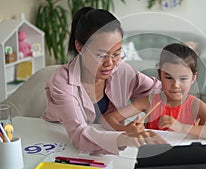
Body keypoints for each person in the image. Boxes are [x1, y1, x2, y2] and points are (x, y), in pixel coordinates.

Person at [42, 7, 166, 155]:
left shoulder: (121, 70)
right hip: (57, 143)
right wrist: (126, 138)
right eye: (101, 55)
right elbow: (79, 134)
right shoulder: (63, 81)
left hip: (109, 149)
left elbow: (159, 90)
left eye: (116, 54)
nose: (110, 63)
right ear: (80, 47)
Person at [101, 43, 206, 140]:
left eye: (183, 79)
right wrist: (126, 129)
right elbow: (107, 119)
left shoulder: (195, 105)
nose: (175, 85)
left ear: (193, 78)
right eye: (169, 77)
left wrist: (182, 128)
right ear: (160, 75)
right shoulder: (149, 101)